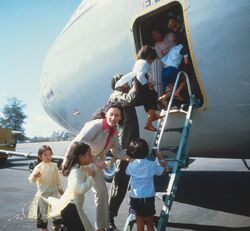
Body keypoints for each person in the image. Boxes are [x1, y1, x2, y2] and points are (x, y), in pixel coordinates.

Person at [63, 103, 127, 231]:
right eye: (111, 114)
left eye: (117, 115)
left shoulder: (114, 131)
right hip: (81, 162)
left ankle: (101, 227)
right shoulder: (95, 126)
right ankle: (62, 219)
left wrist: (130, 157)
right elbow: (76, 145)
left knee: (102, 192)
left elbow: (117, 150)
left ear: (121, 118)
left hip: (94, 162)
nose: (113, 118)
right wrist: (67, 164)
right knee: (74, 194)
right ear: (105, 114)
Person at [108, 74, 140, 230]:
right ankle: (109, 217)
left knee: (136, 182)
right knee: (119, 185)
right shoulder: (116, 96)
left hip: (132, 147)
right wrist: (136, 83)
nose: (127, 84)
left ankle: (135, 212)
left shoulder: (123, 95)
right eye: (125, 82)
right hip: (123, 149)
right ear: (118, 85)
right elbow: (132, 98)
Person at [45, 141, 95, 231]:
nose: (91, 156)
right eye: (89, 154)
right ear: (81, 157)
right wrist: (90, 177)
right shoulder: (75, 171)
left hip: (72, 208)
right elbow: (80, 189)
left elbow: (96, 167)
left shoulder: (81, 167)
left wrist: (110, 162)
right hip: (71, 209)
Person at [126, 138, 166, 231]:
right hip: (148, 197)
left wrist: (131, 160)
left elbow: (127, 172)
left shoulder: (131, 165)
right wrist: (161, 158)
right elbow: (162, 171)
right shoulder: (151, 165)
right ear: (146, 151)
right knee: (149, 223)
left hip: (135, 197)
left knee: (139, 223)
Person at [28, 145, 63, 231]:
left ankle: (56, 225)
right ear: (40, 156)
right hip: (43, 194)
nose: (48, 156)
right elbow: (31, 180)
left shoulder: (54, 166)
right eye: (45, 155)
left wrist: (60, 188)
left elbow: (58, 178)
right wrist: (34, 175)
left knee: (56, 210)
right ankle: (44, 228)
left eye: (50, 154)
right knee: (43, 213)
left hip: (54, 192)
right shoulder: (38, 167)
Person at [132, 45, 163, 131]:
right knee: (153, 95)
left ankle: (152, 116)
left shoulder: (138, 61)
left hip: (137, 84)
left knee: (148, 100)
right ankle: (149, 123)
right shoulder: (144, 63)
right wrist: (148, 84)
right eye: (152, 60)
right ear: (149, 57)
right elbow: (140, 76)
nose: (151, 62)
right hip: (140, 85)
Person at [158, 32, 189, 105]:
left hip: (164, 72)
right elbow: (186, 62)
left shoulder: (172, 48)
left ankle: (163, 98)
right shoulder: (184, 48)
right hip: (172, 70)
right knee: (185, 79)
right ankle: (177, 92)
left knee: (172, 89)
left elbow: (163, 55)